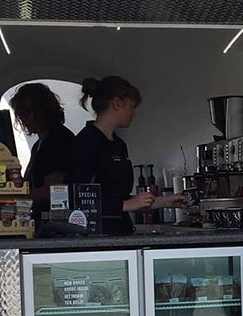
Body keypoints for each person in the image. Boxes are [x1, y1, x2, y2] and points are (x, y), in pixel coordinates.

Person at [68, 76, 185, 235]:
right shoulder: (84, 143)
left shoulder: (119, 145)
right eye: (132, 106)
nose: (134, 114)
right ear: (117, 103)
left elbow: (122, 198)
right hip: (95, 234)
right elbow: (76, 198)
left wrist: (166, 201)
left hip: (121, 230)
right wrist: (127, 205)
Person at [10, 83, 76, 211]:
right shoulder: (38, 145)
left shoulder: (59, 139)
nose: (23, 120)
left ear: (38, 112)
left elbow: (53, 189)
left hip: (54, 218)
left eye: (24, 114)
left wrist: (18, 200)